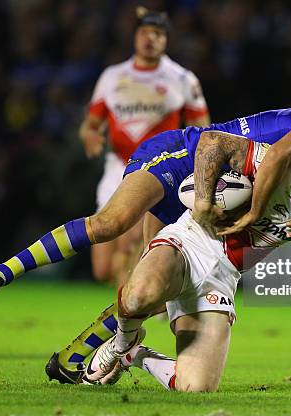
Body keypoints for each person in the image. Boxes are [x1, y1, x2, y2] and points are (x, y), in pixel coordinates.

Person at [0, 77, 291, 304]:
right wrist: (252, 216)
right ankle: (2, 272)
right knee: (111, 223)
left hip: (210, 186)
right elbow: (274, 158)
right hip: (184, 155)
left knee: (147, 285)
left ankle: (83, 357)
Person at [58, 158, 291, 391]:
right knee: (140, 294)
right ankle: (119, 344)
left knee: (194, 388)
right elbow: (213, 146)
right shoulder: (274, 164)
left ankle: (134, 355)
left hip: (222, 279)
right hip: (190, 240)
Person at [79, 7, 210, 284]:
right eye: (144, 32)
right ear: (135, 36)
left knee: (129, 244)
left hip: (156, 170)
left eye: (158, 33)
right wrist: (90, 135)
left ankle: (129, 314)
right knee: (102, 268)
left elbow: (204, 130)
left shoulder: (182, 79)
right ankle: (141, 298)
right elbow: (91, 123)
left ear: (167, 39)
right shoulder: (112, 77)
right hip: (116, 168)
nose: (150, 38)